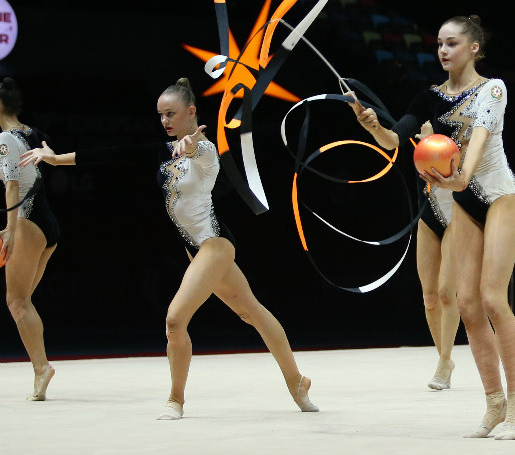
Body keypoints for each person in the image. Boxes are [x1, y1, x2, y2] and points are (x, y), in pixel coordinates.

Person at [19, 78, 318, 420]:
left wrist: (192, 146)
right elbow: (114, 153)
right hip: (196, 249)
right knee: (252, 312)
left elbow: (198, 151)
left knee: (175, 320)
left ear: (191, 112)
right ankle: (297, 382)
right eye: (161, 115)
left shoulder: (206, 151)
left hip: (215, 244)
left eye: (171, 114)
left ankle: (175, 400)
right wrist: (56, 159)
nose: (165, 121)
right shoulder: (163, 151)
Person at [357, 15, 515, 439]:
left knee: (492, 298)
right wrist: (374, 126)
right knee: (467, 304)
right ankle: (494, 403)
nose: (443, 50)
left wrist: (461, 178)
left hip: (499, 195)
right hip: (463, 201)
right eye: (439, 44)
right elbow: (396, 139)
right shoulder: (429, 97)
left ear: (474, 48)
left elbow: (481, 135)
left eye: (452, 43)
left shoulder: (493, 89)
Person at [350, 73, 461, 391]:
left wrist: (434, 138)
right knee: (429, 297)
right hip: (430, 212)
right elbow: (392, 139)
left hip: (460, 212)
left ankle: (444, 362)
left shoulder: (467, 115)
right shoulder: (424, 105)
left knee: (446, 292)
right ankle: (444, 357)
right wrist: (373, 127)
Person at [0, 77, 59, 401]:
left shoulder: (4, 138)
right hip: (47, 224)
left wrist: (10, 230)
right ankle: (41, 368)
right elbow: (43, 155)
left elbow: (12, 185)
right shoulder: (31, 132)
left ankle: (42, 368)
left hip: (28, 222)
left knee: (16, 302)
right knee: (23, 301)